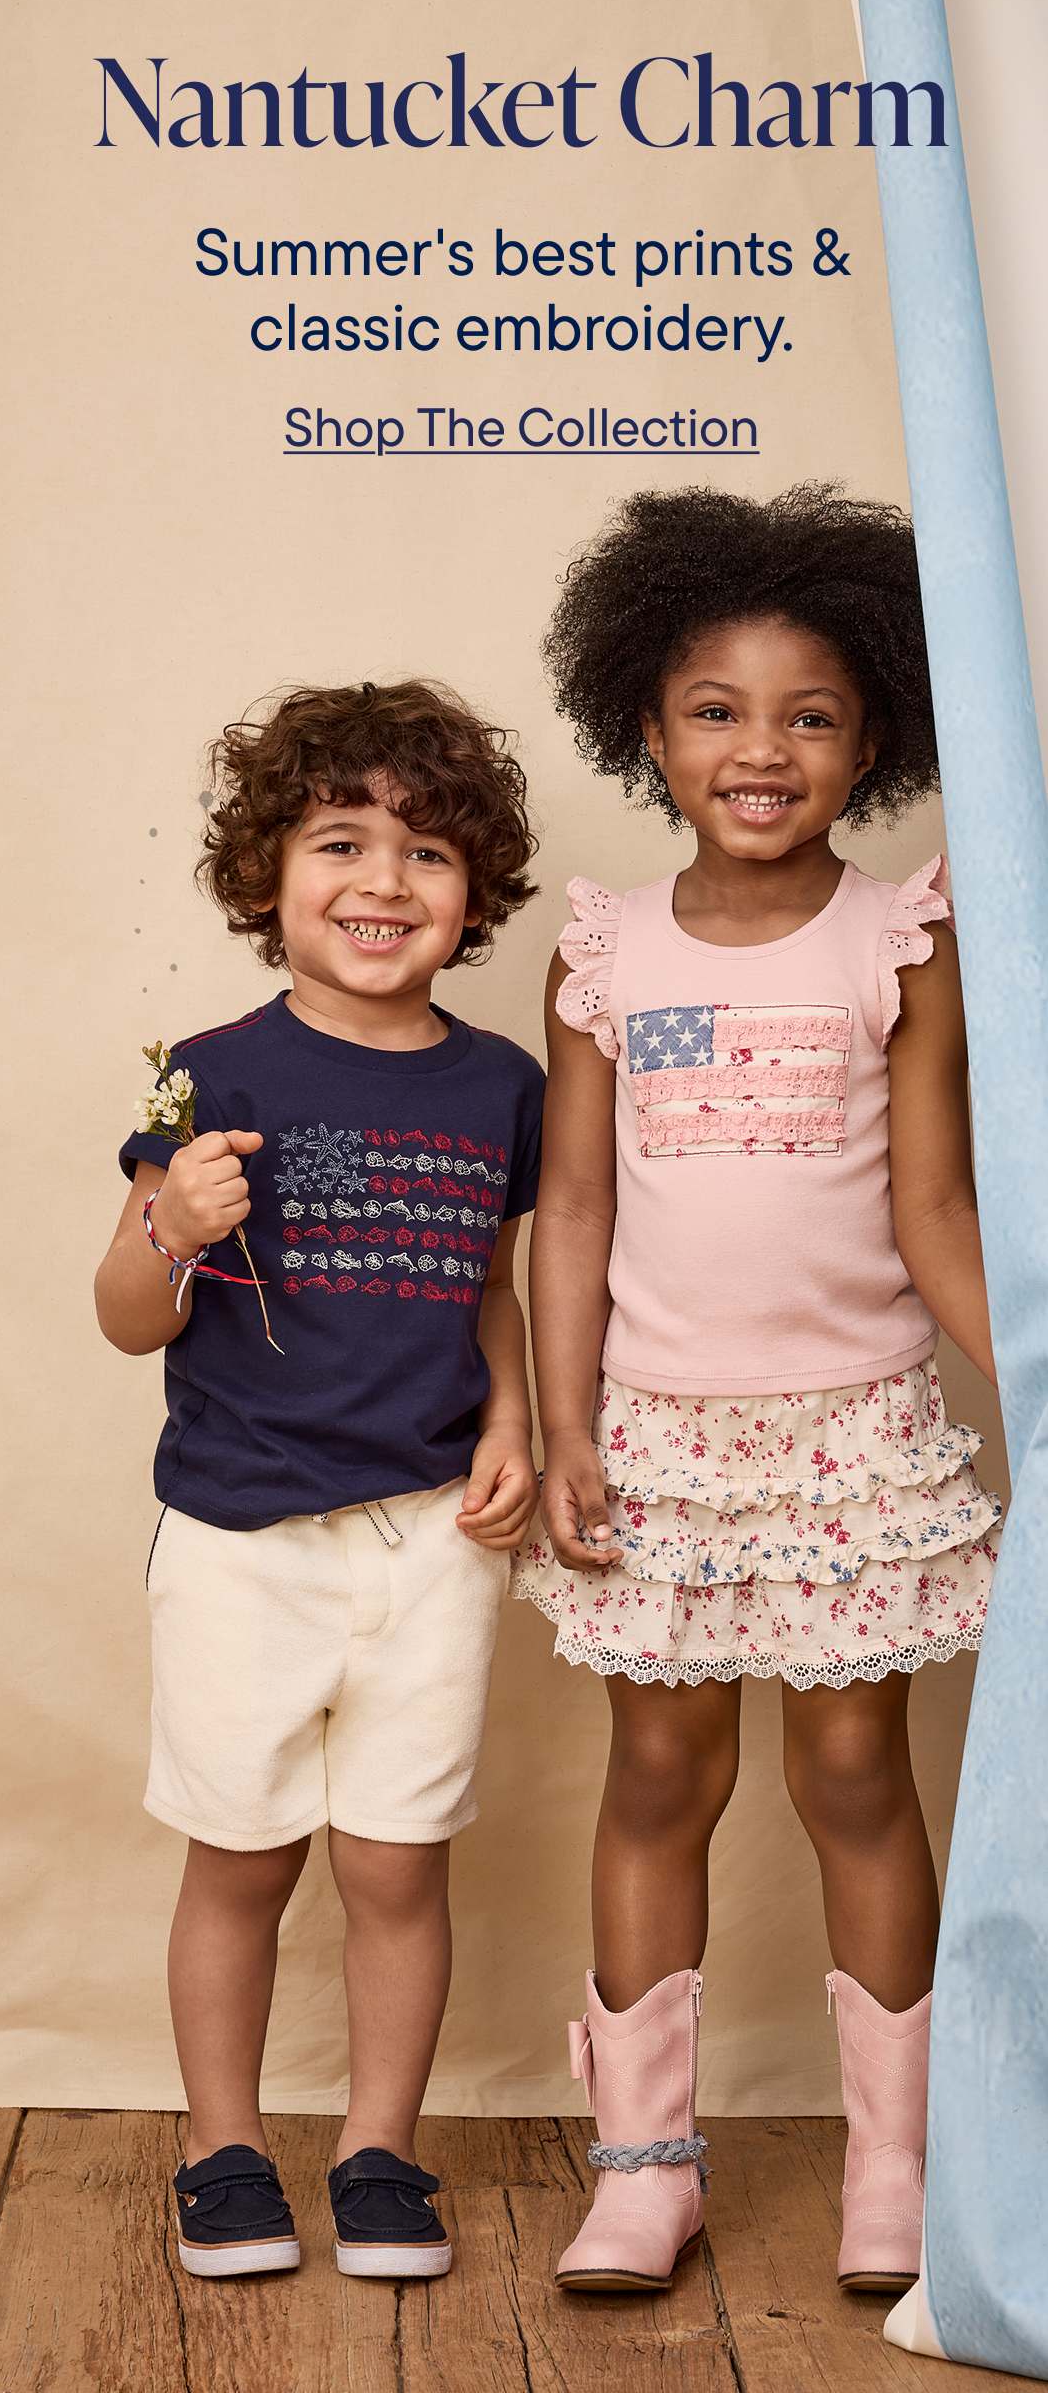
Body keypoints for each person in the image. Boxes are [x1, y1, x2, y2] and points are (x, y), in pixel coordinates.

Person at [514, 485, 1001, 2298]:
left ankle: (897, 2166)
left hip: (853, 1426)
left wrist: (1018, 1388)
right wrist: (567, 1425)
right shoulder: (603, 951)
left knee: (862, 1776)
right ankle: (645, 2168)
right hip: (653, 1436)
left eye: (809, 714)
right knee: (656, 1773)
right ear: (644, 730)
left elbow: (929, 1199)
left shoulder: (896, 940)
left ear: (872, 736)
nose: (760, 748)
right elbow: (571, 1208)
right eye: (714, 710)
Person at [96, 679, 544, 2282]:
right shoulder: (210, 1074)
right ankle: (222, 2149)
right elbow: (123, 1311)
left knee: (393, 1863)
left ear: (472, 895)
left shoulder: (499, 1087)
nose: (382, 882)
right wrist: (177, 1229)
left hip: (431, 1536)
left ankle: (377, 2152)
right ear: (265, 879)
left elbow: (489, 1288)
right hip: (239, 1533)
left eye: (426, 855)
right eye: (339, 843)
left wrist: (513, 1426)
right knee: (241, 1857)